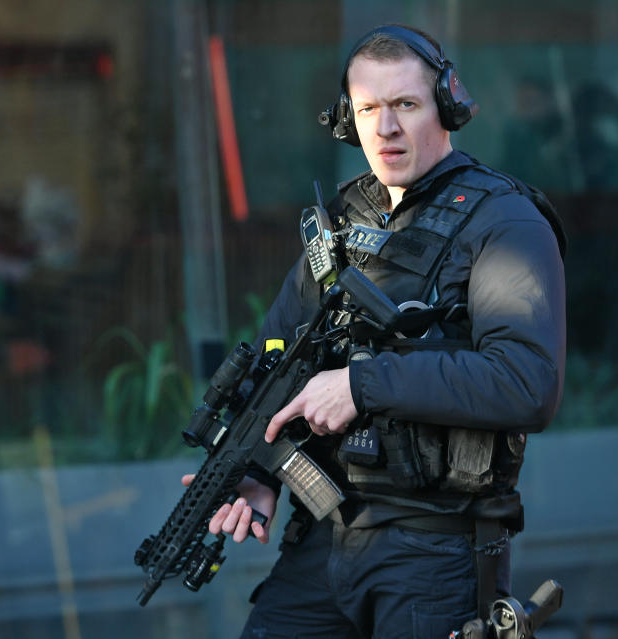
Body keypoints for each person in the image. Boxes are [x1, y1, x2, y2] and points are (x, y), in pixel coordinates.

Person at [184, 24, 566, 638]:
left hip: (436, 551)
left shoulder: (504, 221)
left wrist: (363, 386)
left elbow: (526, 383)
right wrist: (257, 473)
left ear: (446, 107)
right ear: (346, 119)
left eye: (405, 105)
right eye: (368, 109)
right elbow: (278, 357)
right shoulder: (338, 223)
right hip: (322, 538)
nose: (385, 128)